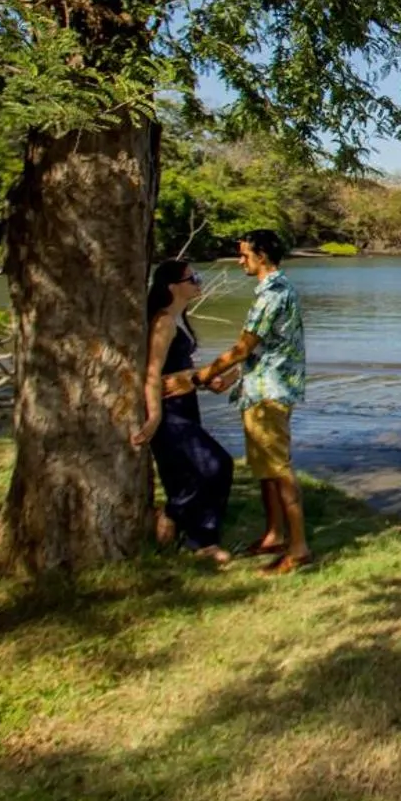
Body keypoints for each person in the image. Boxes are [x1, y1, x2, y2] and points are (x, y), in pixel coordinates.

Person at [193, 229, 311, 574]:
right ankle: (274, 535)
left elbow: (244, 347)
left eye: (244, 255)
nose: (240, 260)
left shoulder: (273, 293)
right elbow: (263, 348)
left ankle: (299, 546)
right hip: (260, 386)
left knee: (278, 469)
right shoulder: (275, 290)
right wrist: (230, 378)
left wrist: (203, 374)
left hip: (270, 392)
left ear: (262, 256)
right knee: (264, 469)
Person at [133, 259, 235, 563]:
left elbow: (178, 370)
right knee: (217, 465)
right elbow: (153, 372)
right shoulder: (164, 320)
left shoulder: (181, 317)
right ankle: (179, 518)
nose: (199, 283)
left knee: (187, 473)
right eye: (193, 278)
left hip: (184, 405)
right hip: (170, 410)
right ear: (172, 286)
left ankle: (197, 540)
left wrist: (205, 380)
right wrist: (154, 416)